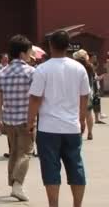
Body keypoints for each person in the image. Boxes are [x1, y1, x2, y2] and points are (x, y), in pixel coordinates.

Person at [27, 31, 89, 207]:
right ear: (68, 46)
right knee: (76, 166)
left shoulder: (42, 69)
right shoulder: (79, 68)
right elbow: (85, 96)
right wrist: (82, 119)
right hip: (72, 127)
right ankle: (77, 204)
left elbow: (35, 98)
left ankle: (53, 204)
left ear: (50, 46)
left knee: (51, 170)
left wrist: (30, 121)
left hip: (49, 128)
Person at [0, 35, 36, 201]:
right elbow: (36, 97)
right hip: (27, 119)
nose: (30, 54)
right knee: (25, 153)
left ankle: (13, 183)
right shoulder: (31, 72)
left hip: (9, 119)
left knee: (13, 153)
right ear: (22, 53)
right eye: (29, 51)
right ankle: (18, 184)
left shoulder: (2, 72)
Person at [72, 50, 96, 140]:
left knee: (79, 113)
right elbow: (93, 79)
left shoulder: (76, 67)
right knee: (89, 113)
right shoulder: (90, 66)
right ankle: (90, 133)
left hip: (78, 92)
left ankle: (80, 132)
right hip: (89, 91)